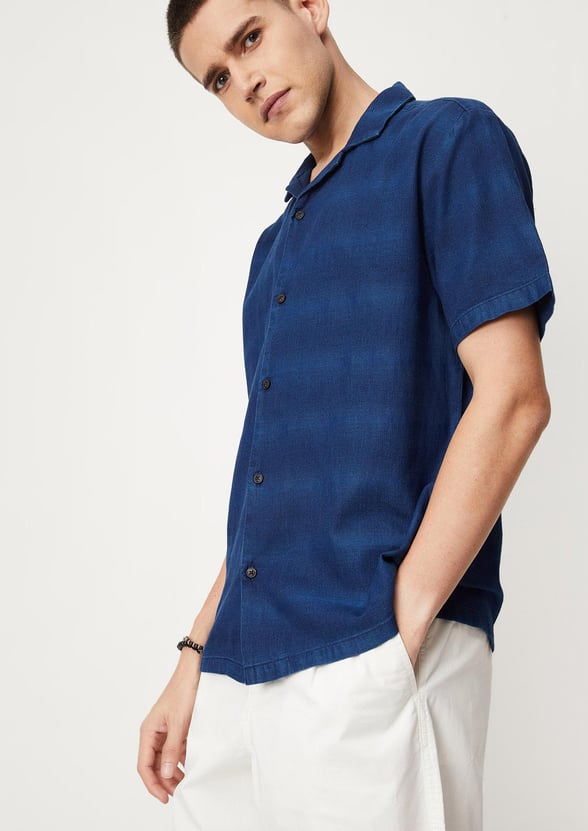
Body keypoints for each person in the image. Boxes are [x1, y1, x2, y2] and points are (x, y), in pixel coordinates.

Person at [137, 1, 555, 829]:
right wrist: (194, 656)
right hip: (243, 674)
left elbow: (513, 396)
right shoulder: (273, 250)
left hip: (368, 653)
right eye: (217, 78)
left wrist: (399, 625)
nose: (244, 80)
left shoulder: (446, 142)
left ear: (309, 7)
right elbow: (272, 478)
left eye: (249, 37)